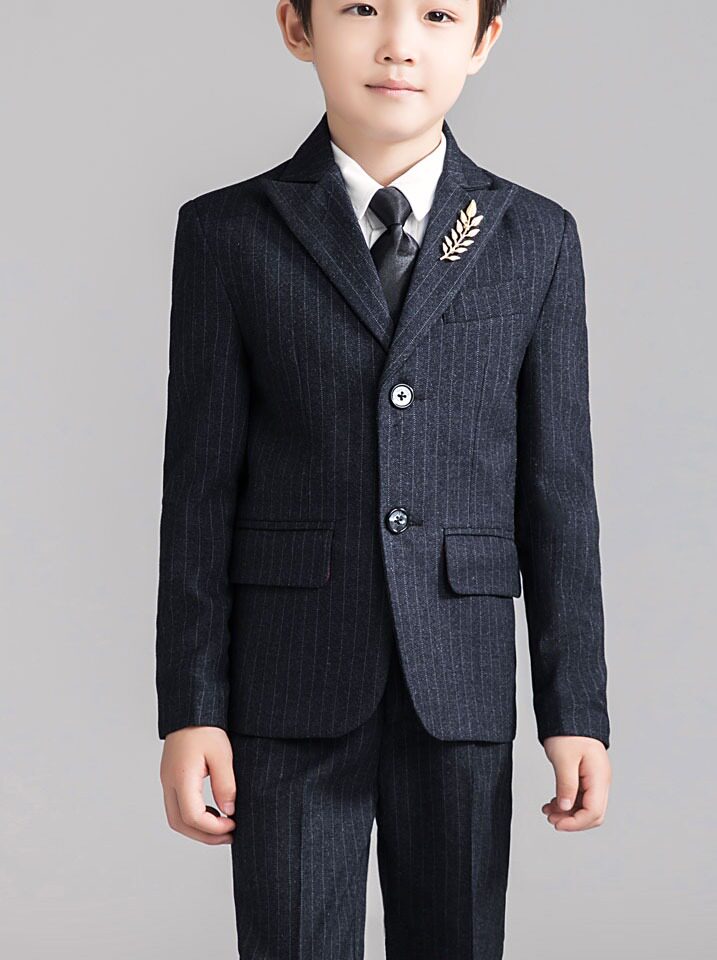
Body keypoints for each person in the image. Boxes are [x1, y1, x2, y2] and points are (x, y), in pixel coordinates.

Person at [156, 0, 612, 956]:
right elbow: (198, 491)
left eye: (438, 14)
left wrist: (575, 710)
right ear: (297, 27)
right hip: (288, 680)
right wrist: (191, 709)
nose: (399, 43)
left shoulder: (534, 236)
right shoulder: (227, 232)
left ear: (483, 41)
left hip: (461, 680)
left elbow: (559, 492)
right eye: (361, 7)